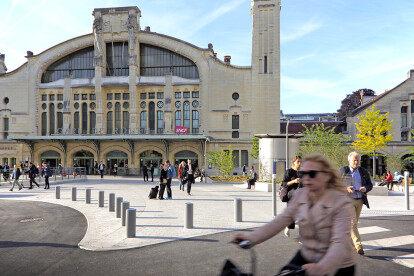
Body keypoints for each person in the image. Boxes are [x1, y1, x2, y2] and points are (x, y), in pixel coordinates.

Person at [233, 154, 356, 276]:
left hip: (337, 264)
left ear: (326, 176)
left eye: (312, 174)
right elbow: (279, 222)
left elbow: (339, 242)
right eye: (303, 174)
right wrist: (250, 239)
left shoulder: (340, 202)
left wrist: (322, 267)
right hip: (308, 254)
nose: (306, 178)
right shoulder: (301, 194)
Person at [340, 152, 373, 255]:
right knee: (352, 223)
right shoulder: (343, 171)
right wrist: (345, 189)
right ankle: (358, 245)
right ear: (349, 160)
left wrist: (365, 188)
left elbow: (370, 185)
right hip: (347, 200)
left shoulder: (363, 171)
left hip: (360, 200)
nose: (356, 162)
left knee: (354, 223)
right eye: (354, 160)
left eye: (357, 160)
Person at [281, 156, 302, 237]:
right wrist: (294, 181)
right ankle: (288, 226)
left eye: (300, 162)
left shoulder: (302, 173)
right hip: (291, 194)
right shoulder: (289, 171)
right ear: (294, 162)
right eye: (298, 162)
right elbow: (284, 184)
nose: (300, 164)